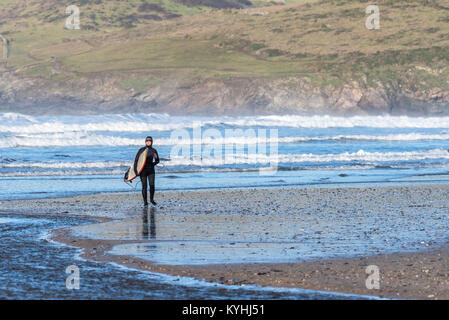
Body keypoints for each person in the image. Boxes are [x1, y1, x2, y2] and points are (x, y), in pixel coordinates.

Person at [134, 136, 159, 206]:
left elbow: (157, 160)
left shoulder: (154, 151)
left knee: (152, 185)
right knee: (144, 186)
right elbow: (136, 160)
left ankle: (151, 200)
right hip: (143, 171)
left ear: (152, 142)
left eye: (149, 141)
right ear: (145, 142)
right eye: (147, 141)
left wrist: (153, 164)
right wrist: (136, 171)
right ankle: (145, 201)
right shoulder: (141, 150)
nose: (148, 142)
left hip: (151, 170)